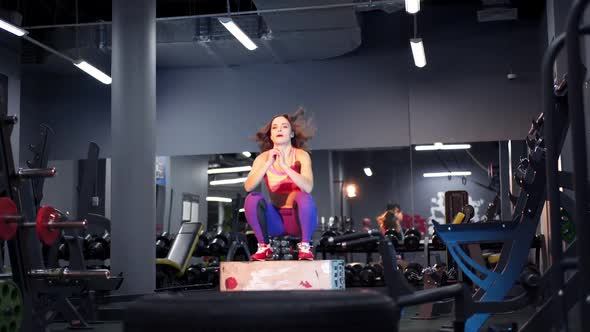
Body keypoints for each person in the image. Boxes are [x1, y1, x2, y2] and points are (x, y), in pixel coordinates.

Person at [243, 108, 317, 261]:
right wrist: (268, 163)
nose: (279, 130)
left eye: (284, 126)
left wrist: (284, 166)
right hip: (276, 221)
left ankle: (305, 246)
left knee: (303, 196)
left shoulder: (301, 155)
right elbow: (248, 186)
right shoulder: (263, 158)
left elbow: (308, 187)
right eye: (275, 127)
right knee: (252, 198)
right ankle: (264, 247)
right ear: (271, 135)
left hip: (298, 221)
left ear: (291, 133)